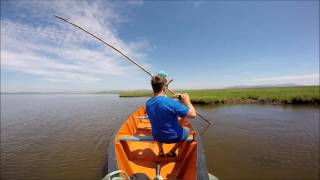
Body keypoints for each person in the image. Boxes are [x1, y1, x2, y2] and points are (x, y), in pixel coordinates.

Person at [146, 75, 196, 157]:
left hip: (157, 136)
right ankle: (172, 151)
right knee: (188, 130)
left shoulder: (148, 103)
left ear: (153, 87)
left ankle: (161, 151)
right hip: (174, 137)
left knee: (158, 126)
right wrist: (187, 101)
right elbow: (193, 115)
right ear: (164, 88)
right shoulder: (172, 103)